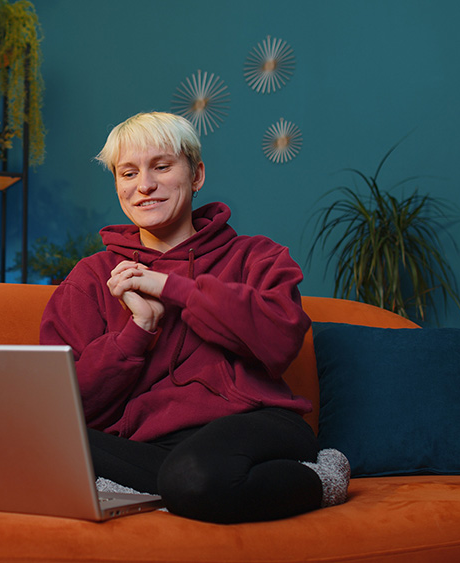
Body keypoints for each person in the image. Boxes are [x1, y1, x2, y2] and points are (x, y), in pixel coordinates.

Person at [39, 111, 349, 524]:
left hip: (253, 425)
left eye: (161, 167)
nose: (144, 185)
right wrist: (138, 330)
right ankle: (164, 487)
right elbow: (66, 406)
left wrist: (170, 288)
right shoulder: (91, 278)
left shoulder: (257, 256)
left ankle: (323, 478)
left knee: (193, 478)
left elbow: (279, 342)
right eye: (128, 173)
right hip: (149, 447)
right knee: (27, 442)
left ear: (197, 175)